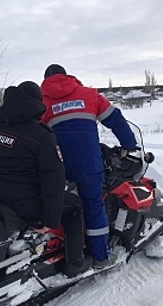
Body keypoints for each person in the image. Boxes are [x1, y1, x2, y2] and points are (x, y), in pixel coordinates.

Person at [0, 81, 91, 278]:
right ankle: (76, 262)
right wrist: (50, 219)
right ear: (37, 104)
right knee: (74, 206)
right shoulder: (41, 136)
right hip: (25, 207)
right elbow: (54, 182)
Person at [40, 64, 138, 268]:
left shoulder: (43, 102)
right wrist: (129, 145)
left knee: (64, 205)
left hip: (58, 166)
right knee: (93, 205)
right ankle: (100, 258)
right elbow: (116, 119)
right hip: (88, 163)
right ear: (66, 75)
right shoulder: (89, 94)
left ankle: (66, 249)